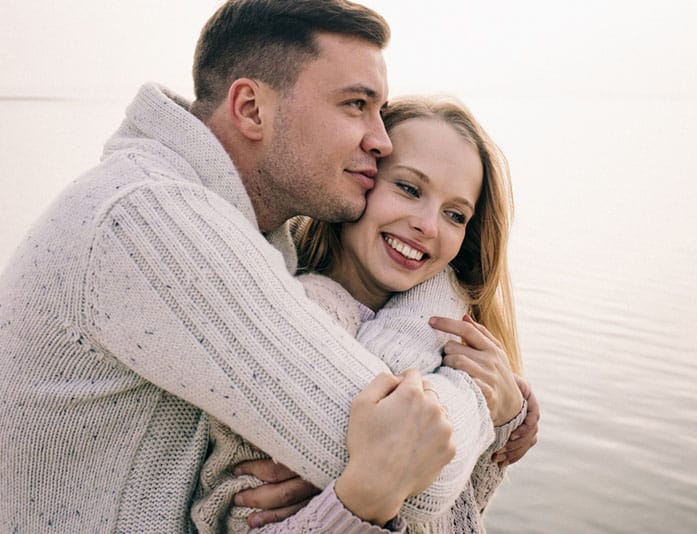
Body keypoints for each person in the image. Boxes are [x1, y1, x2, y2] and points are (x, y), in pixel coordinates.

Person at [0, 1, 536, 532]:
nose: (380, 139)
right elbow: (422, 473)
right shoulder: (153, 222)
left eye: (379, 109)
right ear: (252, 109)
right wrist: (486, 399)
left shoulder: (246, 234)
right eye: (355, 104)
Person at [191, 96, 533, 533]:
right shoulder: (288, 323)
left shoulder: (449, 328)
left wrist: (506, 420)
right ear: (360, 179)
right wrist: (354, 500)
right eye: (409, 188)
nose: (428, 225)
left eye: (454, 214)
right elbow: (236, 517)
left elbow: (461, 516)